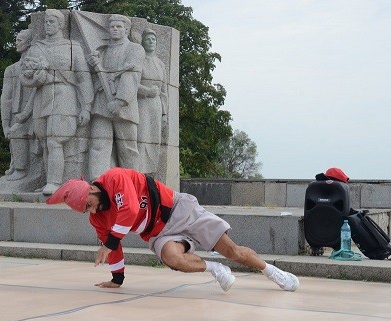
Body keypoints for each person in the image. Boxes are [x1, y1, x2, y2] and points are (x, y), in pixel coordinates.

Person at [47, 167, 299, 292]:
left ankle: (272, 272)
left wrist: (110, 243)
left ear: (92, 189)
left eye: (90, 205)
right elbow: (113, 248)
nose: (92, 211)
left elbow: (130, 210)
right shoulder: (98, 219)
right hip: (159, 233)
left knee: (232, 250)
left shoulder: (114, 178)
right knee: (172, 258)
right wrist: (117, 279)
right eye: (86, 212)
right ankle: (215, 268)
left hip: (179, 209)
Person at [21, 9, 93, 195]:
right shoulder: (37, 47)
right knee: (45, 142)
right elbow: (26, 77)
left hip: (64, 95)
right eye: (46, 22)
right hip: (42, 96)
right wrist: (36, 76)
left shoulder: (72, 47)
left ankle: (54, 182)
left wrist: (86, 107)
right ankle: (49, 181)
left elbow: (83, 78)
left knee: (55, 141)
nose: (47, 25)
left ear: (61, 24)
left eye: (52, 22)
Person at [86, 15, 145, 180]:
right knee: (99, 145)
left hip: (124, 106)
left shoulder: (135, 49)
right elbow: (90, 77)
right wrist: (92, 65)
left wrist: (120, 101)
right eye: (112, 27)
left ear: (126, 29)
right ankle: (98, 184)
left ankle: (134, 184)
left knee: (128, 149)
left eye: (119, 27)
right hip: (101, 104)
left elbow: (132, 75)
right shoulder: (101, 51)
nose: (115, 29)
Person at [1, 29, 36, 181]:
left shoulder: (37, 65)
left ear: (29, 42)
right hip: (17, 110)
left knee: (17, 133)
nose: (16, 42)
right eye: (16, 39)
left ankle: (22, 170)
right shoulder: (11, 69)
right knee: (14, 137)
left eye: (20, 40)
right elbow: (6, 97)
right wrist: (5, 122)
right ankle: (17, 165)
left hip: (36, 109)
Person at [137, 28, 168, 174]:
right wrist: (146, 91)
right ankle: (139, 172)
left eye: (153, 39)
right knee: (142, 137)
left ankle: (150, 173)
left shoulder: (160, 64)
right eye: (148, 39)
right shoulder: (138, 60)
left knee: (154, 140)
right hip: (142, 103)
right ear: (142, 41)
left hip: (156, 106)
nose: (151, 42)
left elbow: (164, 91)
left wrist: (164, 113)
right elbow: (131, 84)